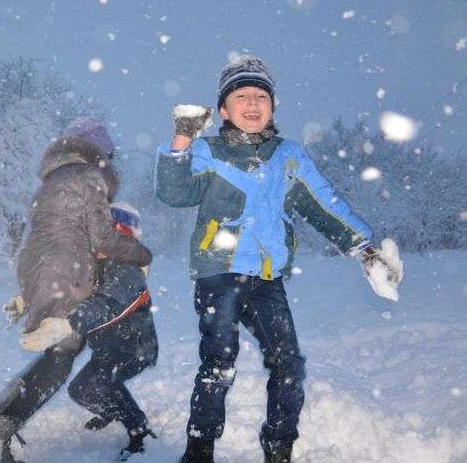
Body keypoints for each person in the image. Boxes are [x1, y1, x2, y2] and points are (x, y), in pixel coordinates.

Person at [155, 55, 403, 463]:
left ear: (272, 106)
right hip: (218, 271)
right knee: (218, 361)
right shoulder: (208, 150)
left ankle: (279, 447)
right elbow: (174, 193)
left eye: (260, 96)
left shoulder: (289, 156)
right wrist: (182, 139)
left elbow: (324, 205)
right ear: (223, 109)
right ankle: (199, 449)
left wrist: (364, 248)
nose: (251, 103)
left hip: (267, 278)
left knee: (288, 365)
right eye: (241, 96)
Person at [0, 118, 153, 463]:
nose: (110, 163)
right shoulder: (88, 178)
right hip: (67, 270)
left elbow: (57, 240)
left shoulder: (50, 185)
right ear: (97, 154)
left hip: (42, 268)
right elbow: (100, 239)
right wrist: (144, 256)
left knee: (60, 356)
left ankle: (7, 415)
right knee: (61, 356)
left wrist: (31, 293)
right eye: (107, 156)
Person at [22, 202, 159, 461]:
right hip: (109, 350)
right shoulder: (96, 270)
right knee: (80, 390)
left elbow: (106, 304)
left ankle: (139, 430)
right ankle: (111, 411)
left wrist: (69, 323)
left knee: (103, 383)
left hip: (134, 348)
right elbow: (67, 295)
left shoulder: (127, 269)